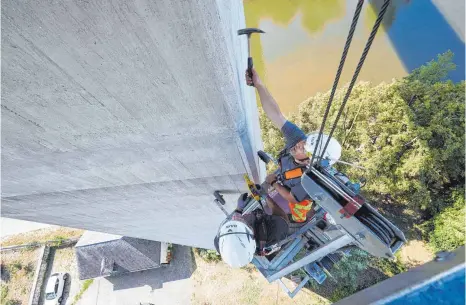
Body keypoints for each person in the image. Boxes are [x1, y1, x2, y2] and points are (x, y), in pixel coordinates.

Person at [246, 69, 314, 224]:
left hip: (288, 184)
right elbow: (276, 115)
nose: (298, 145)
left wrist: (273, 183)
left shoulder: (308, 179)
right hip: (285, 171)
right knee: (271, 179)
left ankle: (263, 198)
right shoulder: (300, 140)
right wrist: (259, 85)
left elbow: (292, 198)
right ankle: (261, 190)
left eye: (303, 149)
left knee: (270, 182)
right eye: (303, 142)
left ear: (308, 160)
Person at [214, 192, 289, 268]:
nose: (242, 221)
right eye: (246, 226)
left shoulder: (220, 241)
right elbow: (283, 217)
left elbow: (234, 228)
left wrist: (239, 209)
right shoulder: (276, 232)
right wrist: (266, 197)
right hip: (267, 225)